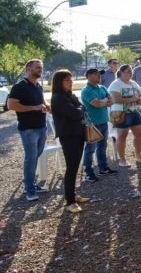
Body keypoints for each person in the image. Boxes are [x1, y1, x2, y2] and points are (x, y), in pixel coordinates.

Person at [8, 59, 51, 201]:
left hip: (42, 127)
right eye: (37, 67)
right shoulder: (19, 87)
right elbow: (11, 105)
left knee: (35, 157)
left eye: (41, 68)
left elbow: (41, 102)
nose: (40, 70)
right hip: (28, 129)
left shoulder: (38, 86)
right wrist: (34, 108)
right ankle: (30, 189)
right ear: (28, 69)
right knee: (30, 158)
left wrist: (47, 106)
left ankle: (32, 183)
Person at [50, 69, 91, 213]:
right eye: (68, 80)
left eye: (71, 79)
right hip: (68, 136)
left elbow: (83, 108)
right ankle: (70, 201)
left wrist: (79, 110)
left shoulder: (70, 95)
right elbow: (76, 113)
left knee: (75, 166)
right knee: (71, 167)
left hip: (78, 133)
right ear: (60, 82)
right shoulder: (58, 98)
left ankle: (73, 195)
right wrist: (79, 110)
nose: (71, 82)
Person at [81, 68, 118, 182]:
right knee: (90, 149)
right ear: (89, 76)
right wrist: (104, 100)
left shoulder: (102, 88)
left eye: (99, 74)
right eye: (96, 74)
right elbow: (97, 104)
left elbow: (112, 101)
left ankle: (103, 167)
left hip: (103, 121)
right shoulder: (86, 91)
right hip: (91, 124)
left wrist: (103, 101)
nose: (99, 76)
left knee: (102, 146)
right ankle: (89, 172)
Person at [108, 65, 141, 167]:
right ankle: (122, 160)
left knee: (139, 134)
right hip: (121, 113)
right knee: (122, 136)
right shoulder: (116, 84)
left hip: (135, 111)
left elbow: (139, 96)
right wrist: (131, 99)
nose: (130, 73)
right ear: (121, 72)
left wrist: (139, 100)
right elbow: (115, 99)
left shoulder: (134, 83)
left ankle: (138, 155)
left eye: (131, 71)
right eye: (128, 71)